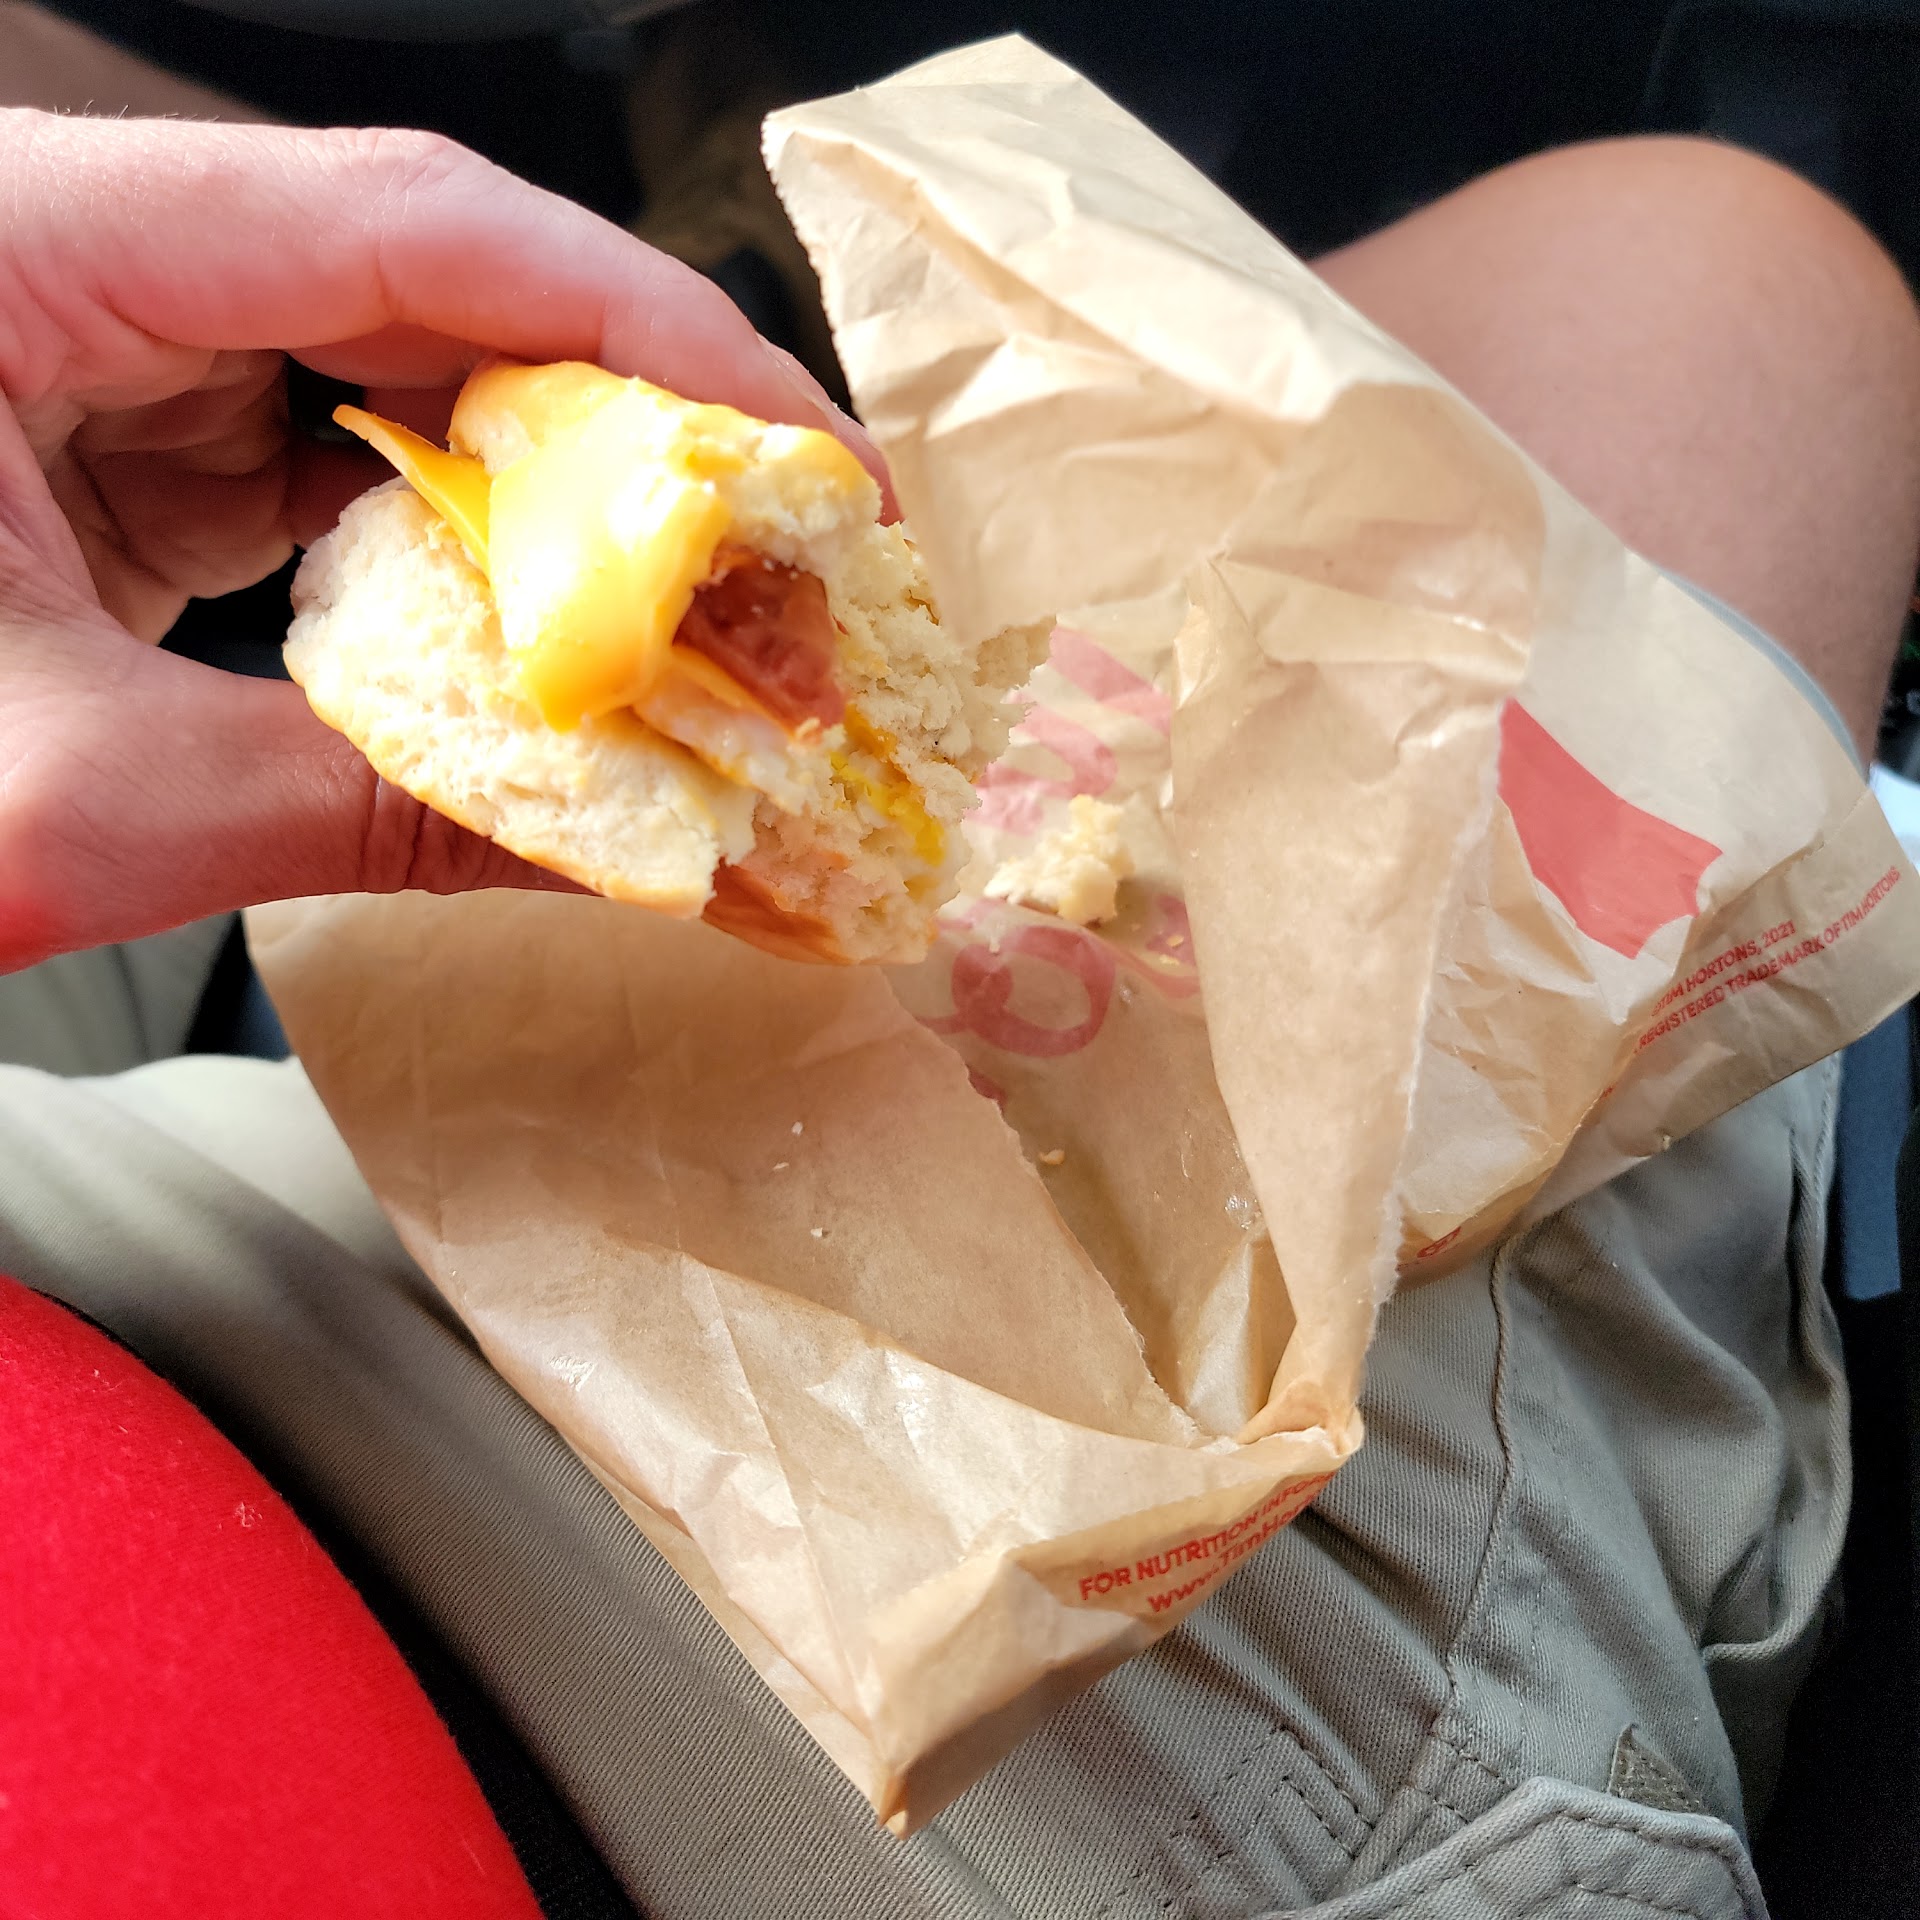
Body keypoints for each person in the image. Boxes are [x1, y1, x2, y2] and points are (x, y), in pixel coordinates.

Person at [0, 42, 1917, 1920]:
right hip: (723, 1737)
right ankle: (719, 240)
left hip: (87, 1229)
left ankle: (699, 262)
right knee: (1705, 268)